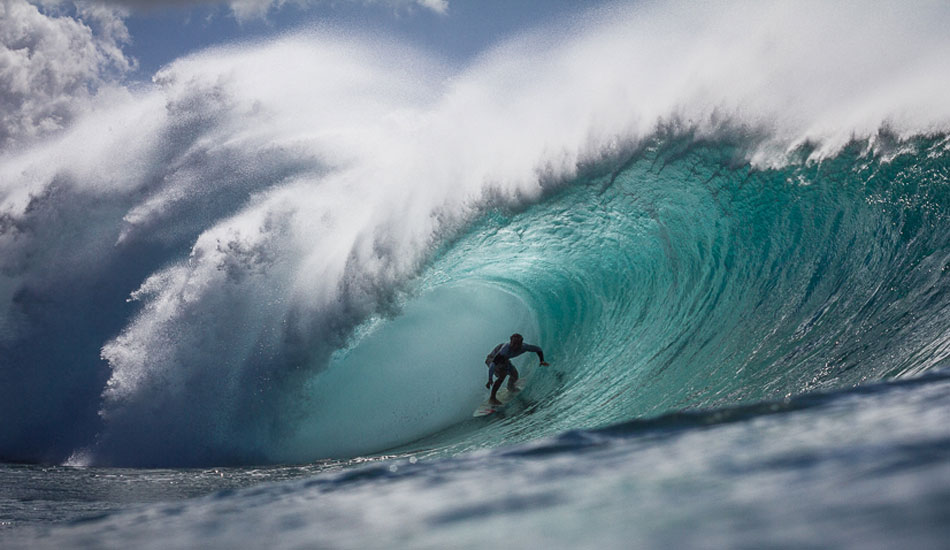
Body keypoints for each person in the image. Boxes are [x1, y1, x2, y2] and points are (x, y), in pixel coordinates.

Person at [484, 333, 549, 406]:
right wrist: (490, 379)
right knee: (503, 374)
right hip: (492, 359)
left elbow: (538, 349)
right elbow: (493, 364)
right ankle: (492, 399)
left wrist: (542, 360)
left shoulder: (524, 347)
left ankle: (510, 387)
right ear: (510, 341)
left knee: (515, 374)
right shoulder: (505, 350)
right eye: (513, 343)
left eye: (518, 344)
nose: (515, 346)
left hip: (504, 360)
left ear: (521, 343)